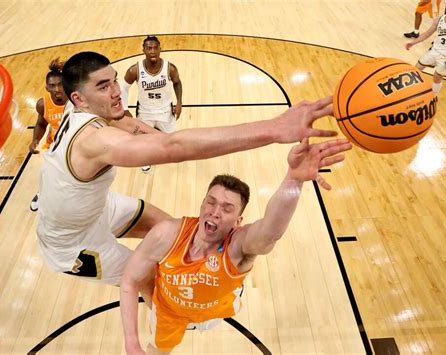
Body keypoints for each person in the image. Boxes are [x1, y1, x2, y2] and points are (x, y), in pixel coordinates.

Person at [36, 50, 338, 287]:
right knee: (157, 279)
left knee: (174, 235)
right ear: (80, 99)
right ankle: (169, 321)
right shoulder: (94, 140)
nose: (116, 91)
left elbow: (141, 129)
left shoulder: (87, 106)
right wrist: (273, 129)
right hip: (72, 244)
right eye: (104, 86)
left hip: (96, 209)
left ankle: (195, 284)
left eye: (114, 80)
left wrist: (179, 142)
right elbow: (173, 149)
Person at [119, 137, 352, 355]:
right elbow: (130, 280)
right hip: (170, 312)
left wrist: (294, 180)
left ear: (238, 222)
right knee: (156, 350)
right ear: (201, 205)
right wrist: (131, 342)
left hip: (217, 309)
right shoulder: (166, 234)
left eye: (227, 208)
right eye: (210, 202)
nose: (215, 212)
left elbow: (270, 232)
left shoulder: (238, 246)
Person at [121, 35, 183, 173]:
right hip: (145, 112)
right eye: (149, 48)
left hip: (165, 110)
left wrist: (179, 102)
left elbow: (177, 83)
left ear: (160, 49)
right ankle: (145, 160)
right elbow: (123, 88)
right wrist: (125, 109)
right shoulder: (135, 70)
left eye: (155, 48)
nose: (152, 51)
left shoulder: (170, 68)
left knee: (171, 138)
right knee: (142, 141)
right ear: (143, 50)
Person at [29, 58, 68, 212]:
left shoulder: (75, 100)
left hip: (75, 144)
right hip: (55, 144)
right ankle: (43, 194)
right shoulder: (42, 104)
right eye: (53, 85)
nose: (57, 89)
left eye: (60, 84)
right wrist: (35, 140)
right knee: (48, 172)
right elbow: (41, 124)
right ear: (47, 88)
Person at [405, 0, 446, 94]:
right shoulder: (440, 19)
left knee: (437, 77)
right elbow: (427, 34)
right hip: (434, 51)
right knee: (416, 69)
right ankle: (409, 91)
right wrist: (413, 43)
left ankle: (434, 96)